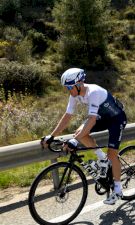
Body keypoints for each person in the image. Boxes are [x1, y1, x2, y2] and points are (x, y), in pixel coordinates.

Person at [41, 68, 127, 205]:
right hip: (102, 118)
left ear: (79, 83)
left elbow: (92, 119)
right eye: (66, 87)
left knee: (112, 155)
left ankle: (118, 189)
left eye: (69, 87)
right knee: (79, 133)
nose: (68, 90)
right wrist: (51, 136)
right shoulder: (74, 95)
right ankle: (101, 158)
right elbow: (67, 116)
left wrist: (74, 141)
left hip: (116, 119)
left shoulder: (93, 92)